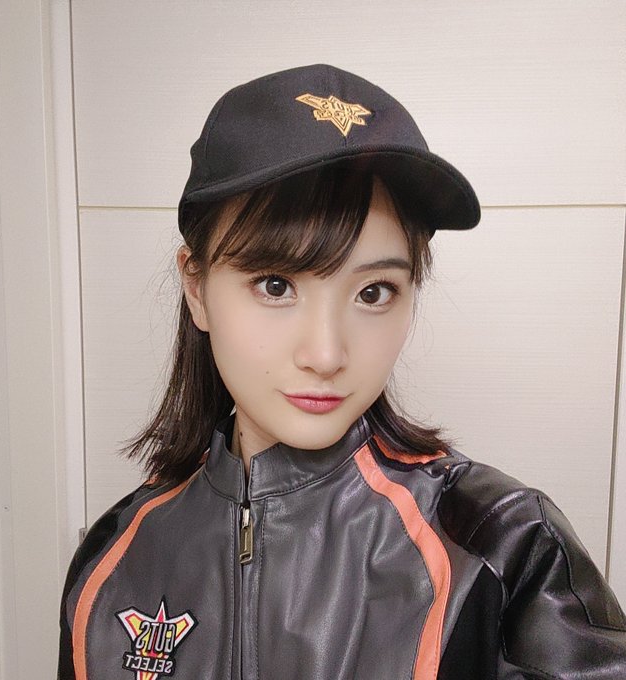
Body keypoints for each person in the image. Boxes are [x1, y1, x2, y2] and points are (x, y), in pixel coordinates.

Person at [58, 64, 626, 680]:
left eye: (374, 292)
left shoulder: (505, 546)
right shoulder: (115, 558)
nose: (326, 355)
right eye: (275, 285)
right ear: (197, 290)